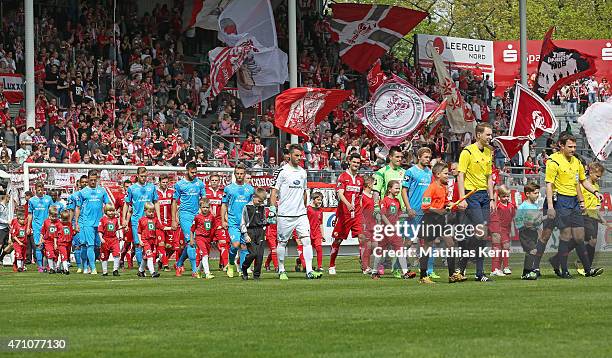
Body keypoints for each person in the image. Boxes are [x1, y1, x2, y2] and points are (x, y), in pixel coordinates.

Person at [542, 133, 603, 278]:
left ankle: (587, 269)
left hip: (574, 202)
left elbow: (582, 181)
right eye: (570, 146)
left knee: (579, 236)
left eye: (575, 146)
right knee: (566, 235)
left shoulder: (576, 162)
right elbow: (549, 185)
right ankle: (564, 270)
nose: (573, 149)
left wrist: (595, 192)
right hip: (561, 200)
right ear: (561, 146)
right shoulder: (553, 161)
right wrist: (550, 206)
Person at [270, 144, 323, 280]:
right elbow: (274, 191)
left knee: (306, 241)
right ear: (290, 155)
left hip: (300, 215)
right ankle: (281, 270)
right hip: (285, 215)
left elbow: (305, 192)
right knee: (282, 243)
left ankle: (309, 271)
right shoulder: (281, 171)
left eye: (301, 156)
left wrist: (304, 207)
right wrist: (272, 208)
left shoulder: (303, 172)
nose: (299, 158)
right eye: (297, 155)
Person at [456, 123, 495, 282]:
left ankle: (466, 265)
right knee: (481, 232)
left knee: (481, 235)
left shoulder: (488, 152)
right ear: (478, 135)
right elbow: (460, 175)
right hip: (471, 195)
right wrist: (462, 198)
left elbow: (489, 178)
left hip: (484, 197)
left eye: (491, 135)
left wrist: (492, 198)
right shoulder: (467, 152)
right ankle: (478, 271)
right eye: (488, 135)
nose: (490, 138)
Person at [420, 162, 465, 284]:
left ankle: (452, 275)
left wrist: (456, 204)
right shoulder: (431, 188)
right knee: (427, 248)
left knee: (450, 243)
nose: (448, 175)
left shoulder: (444, 187)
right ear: (438, 174)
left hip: (439, 221)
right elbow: (425, 207)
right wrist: (439, 211)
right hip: (430, 220)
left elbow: (446, 202)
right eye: (445, 173)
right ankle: (423, 277)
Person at [329, 153, 365, 275]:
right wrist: (348, 204)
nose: (356, 164)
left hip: (357, 213)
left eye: (358, 163)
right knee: (338, 240)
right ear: (349, 162)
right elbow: (340, 193)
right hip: (344, 214)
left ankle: (365, 265)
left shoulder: (360, 179)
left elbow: (360, 196)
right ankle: (332, 265)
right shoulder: (343, 177)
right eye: (354, 162)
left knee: (362, 237)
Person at [401, 147, 433, 278]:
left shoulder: (429, 173)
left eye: (429, 157)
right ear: (419, 157)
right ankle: (399, 267)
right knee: (408, 241)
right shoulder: (410, 172)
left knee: (427, 241)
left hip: (426, 211)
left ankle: (427, 270)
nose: (428, 159)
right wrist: (408, 208)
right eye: (425, 157)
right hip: (414, 211)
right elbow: (404, 190)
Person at [370, 180, 412, 279]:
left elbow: (399, 214)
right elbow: (382, 214)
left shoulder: (397, 201)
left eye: (399, 188)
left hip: (394, 231)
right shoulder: (385, 200)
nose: (398, 190)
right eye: (396, 188)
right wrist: (389, 225)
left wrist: (407, 215)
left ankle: (405, 272)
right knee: (380, 251)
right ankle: (374, 272)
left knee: (400, 249)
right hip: (386, 230)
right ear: (389, 189)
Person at [221, 163, 255, 278]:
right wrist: (223, 220)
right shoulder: (229, 188)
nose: (239, 176)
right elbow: (224, 205)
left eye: (241, 174)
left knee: (245, 246)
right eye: (237, 174)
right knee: (235, 245)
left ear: (245, 174)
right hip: (233, 222)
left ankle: (242, 268)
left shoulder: (250, 189)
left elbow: (252, 206)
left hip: (245, 223)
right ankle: (230, 264)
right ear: (235, 174)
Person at [173, 162, 207, 276]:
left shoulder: (200, 183)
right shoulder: (180, 184)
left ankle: (179, 263)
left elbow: (204, 199)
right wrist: (174, 218)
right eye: (192, 172)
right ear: (187, 171)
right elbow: (174, 201)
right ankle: (194, 271)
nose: (194, 174)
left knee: (192, 243)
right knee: (190, 242)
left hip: (196, 215)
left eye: (196, 172)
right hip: (185, 215)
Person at [579, 162, 610, 276]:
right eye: (597, 176)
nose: (599, 178)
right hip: (584, 215)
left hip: (593, 216)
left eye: (600, 176)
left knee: (592, 242)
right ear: (590, 172)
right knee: (590, 241)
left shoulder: (596, 187)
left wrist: (602, 220)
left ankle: (586, 266)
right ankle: (585, 265)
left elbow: (595, 207)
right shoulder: (582, 185)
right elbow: (579, 199)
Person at [124, 166, 159, 267]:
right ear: (137, 176)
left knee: (151, 243)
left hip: (150, 220)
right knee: (138, 244)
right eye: (142, 176)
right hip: (136, 220)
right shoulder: (132, 188)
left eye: (145, 176)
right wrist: (124, 219)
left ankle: (147, 264)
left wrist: (159, 218)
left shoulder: (151, 187)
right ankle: (141, 266)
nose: (144, 178)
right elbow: (127, 203)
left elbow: (156, 202)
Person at [514, 182, 543, 280]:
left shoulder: (535, 206)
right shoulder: (523, 206)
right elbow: (517, 221)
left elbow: (537, 221)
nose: (537, 195)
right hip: (525, 233)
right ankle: (527, 272)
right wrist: (525, 225)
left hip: (533, 233)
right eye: (535, 193)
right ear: (527, 194)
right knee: (532, 251)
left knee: (530, 252)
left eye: (538, 193)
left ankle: (526, 272)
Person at [239, 188, 268, 280]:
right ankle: (244, 267)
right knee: (253, 254)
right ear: (254, 197)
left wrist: (265, 228)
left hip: (260, 232)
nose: (260, 203)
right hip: (250, 231)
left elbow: (264, 219)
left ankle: (256, 275)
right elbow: (243, 222)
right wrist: (245, 234)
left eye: (262, 201)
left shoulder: (262, 207)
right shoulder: (247, 207)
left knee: (259, 255)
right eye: (259, 201)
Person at [489, 186, 515, 277]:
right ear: (499, 196)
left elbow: (512, 217)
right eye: (503, 196)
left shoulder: (511, 205)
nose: (506, 198)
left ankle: (502, 267)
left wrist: (512, 230)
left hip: (506, 229)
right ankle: (495, 269)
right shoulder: (497, 205)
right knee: (498, 248)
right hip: (498, 228)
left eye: (508, 196)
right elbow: (495, 196)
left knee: (505, 247)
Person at [27, 182, 53, 272]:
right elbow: (30, 215)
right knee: (38, 246)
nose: (40, 191)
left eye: (42, 189)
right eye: (38, 190)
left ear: (44, 189)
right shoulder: (32, 200)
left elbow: (52, 212)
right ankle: (40, 266)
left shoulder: (48, 199)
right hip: (36, 226)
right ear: (35, 190)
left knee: (48, 245)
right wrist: (28, 227)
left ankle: (49, 265)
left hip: (47, 226)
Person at [206, 174, 229, 271]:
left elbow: (225, 208)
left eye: (216, 180)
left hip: (219, 222)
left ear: (219, 182)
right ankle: (202, 265)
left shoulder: (222, 193)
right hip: (207, 222)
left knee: (223, 243)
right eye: (213, 180)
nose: (214, 182)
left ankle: (225, 265)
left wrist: (226, 220)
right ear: (210, 181)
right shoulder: (205, 192)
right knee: (205, 244)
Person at [137, 202, 168, 278]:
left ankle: (141, 271)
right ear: (145, 210)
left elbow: (162, 227)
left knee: (145, 257)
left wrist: (171, 228)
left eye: (152, 211)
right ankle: (153, 272)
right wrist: (140, 241)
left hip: (152, 241)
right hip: (145, 241)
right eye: (149, 211)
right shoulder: (142, 220)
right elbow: (139, 232)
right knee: (150, 256)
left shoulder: (155, 219)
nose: (151, 213)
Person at [190, 198, 215, 279]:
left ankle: (198, 271)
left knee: (205, 256)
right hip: (199, 237)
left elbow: (213, 228)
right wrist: (191, 239)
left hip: (208, 239)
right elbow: (192, 229)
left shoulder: (212, 217)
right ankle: (207, 273)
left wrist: (213, 238)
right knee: (205, 254)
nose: (205, 209)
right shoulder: (197, 217)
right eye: (203, 207)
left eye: (207, 207)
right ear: (200, 207)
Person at [66, 175, 87, 272]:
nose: (84, 184)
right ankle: (80, 266)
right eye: (83, 182)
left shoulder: (92, 194)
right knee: (78, 245)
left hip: (89, 223)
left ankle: (88, 264)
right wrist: (71, 224)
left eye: (86, 182)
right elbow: (71, 210)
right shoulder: (73, 196)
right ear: (78, 184)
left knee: (91, 245)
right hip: (77, 223)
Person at [155, 174, 174, 271]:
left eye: (167, 182)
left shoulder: (172, 192)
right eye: (163, 182)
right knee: (161, 244)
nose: (165, 184)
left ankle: (161, 260)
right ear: (159, 182)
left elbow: (175, 207)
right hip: (159, 223)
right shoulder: (155, 193)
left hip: (170, 223)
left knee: (171, 247)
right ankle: (166, 265)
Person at [99, 204, 121, 276]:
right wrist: (101, 238)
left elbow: (117, 228)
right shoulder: (102, 220)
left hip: (114, 239)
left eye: (112, 211)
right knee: (104, 256)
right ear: (106, 211)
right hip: (105, 239)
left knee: (117, 254)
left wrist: (119, 235)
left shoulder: (115, 219)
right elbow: (100, 230)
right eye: (109, 211)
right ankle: (105, 271)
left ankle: (115, 270)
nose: (111, 212)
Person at [40, 206, 62, 274]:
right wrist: (41, 239)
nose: (54, 218)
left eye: (56, 216)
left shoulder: (58, 222)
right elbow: (42, 231)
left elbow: (60, 231)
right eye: (53, 216)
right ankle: (51, 268)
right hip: (48, 241)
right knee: (50, 254)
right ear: (49, 215)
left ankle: (56, 268)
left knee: (56, 254)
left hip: (56, 241)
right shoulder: (46, 222)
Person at [360, 176, 376, 274]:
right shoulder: (362, 196)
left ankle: (366, 264)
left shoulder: (373, 195)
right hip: (365, 224)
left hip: (373, 223)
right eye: (373, 183)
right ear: (369, 184)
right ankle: (365, 267)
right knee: (367, 246)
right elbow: (360, 211)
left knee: (374, 245)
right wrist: (362, 223)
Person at [307, 192, 324, 273]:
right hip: (308, 232)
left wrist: (322, 234)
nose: (320, 201)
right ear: (313, 200)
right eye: (318, 199)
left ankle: (319, 266)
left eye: (321, 200)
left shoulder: (321, 210)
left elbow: (321, 223)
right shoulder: (308, 209)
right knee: (308, 250)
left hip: (317, 233)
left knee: (319, 248)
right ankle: (300, 261)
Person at [58, 210, 73, 275]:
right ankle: (66, 269)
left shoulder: (69, 224)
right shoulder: (59, 225)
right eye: (63, 219)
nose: (65, 221)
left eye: (66, 219)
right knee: (64, 256)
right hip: (61, 243)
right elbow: (56, 235)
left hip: (68, 243)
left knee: (64, 255)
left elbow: (71, 232)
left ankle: (58, 267)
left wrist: (75, 232)